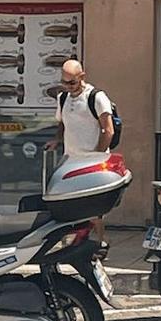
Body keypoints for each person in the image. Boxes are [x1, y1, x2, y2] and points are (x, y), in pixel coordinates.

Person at [45, 59, 115, 251]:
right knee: (72, 204)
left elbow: (108, 130)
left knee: (94, 206)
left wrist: (98, 156)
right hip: (71, 160)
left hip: (92, 160)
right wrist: (57, 140)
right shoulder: (63, 98)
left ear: (82, 77)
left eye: (72, 83)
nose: (68, 87)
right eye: (64, 82)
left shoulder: (96, 97)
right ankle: (77, 241)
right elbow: (62, 122)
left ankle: (101, 241)